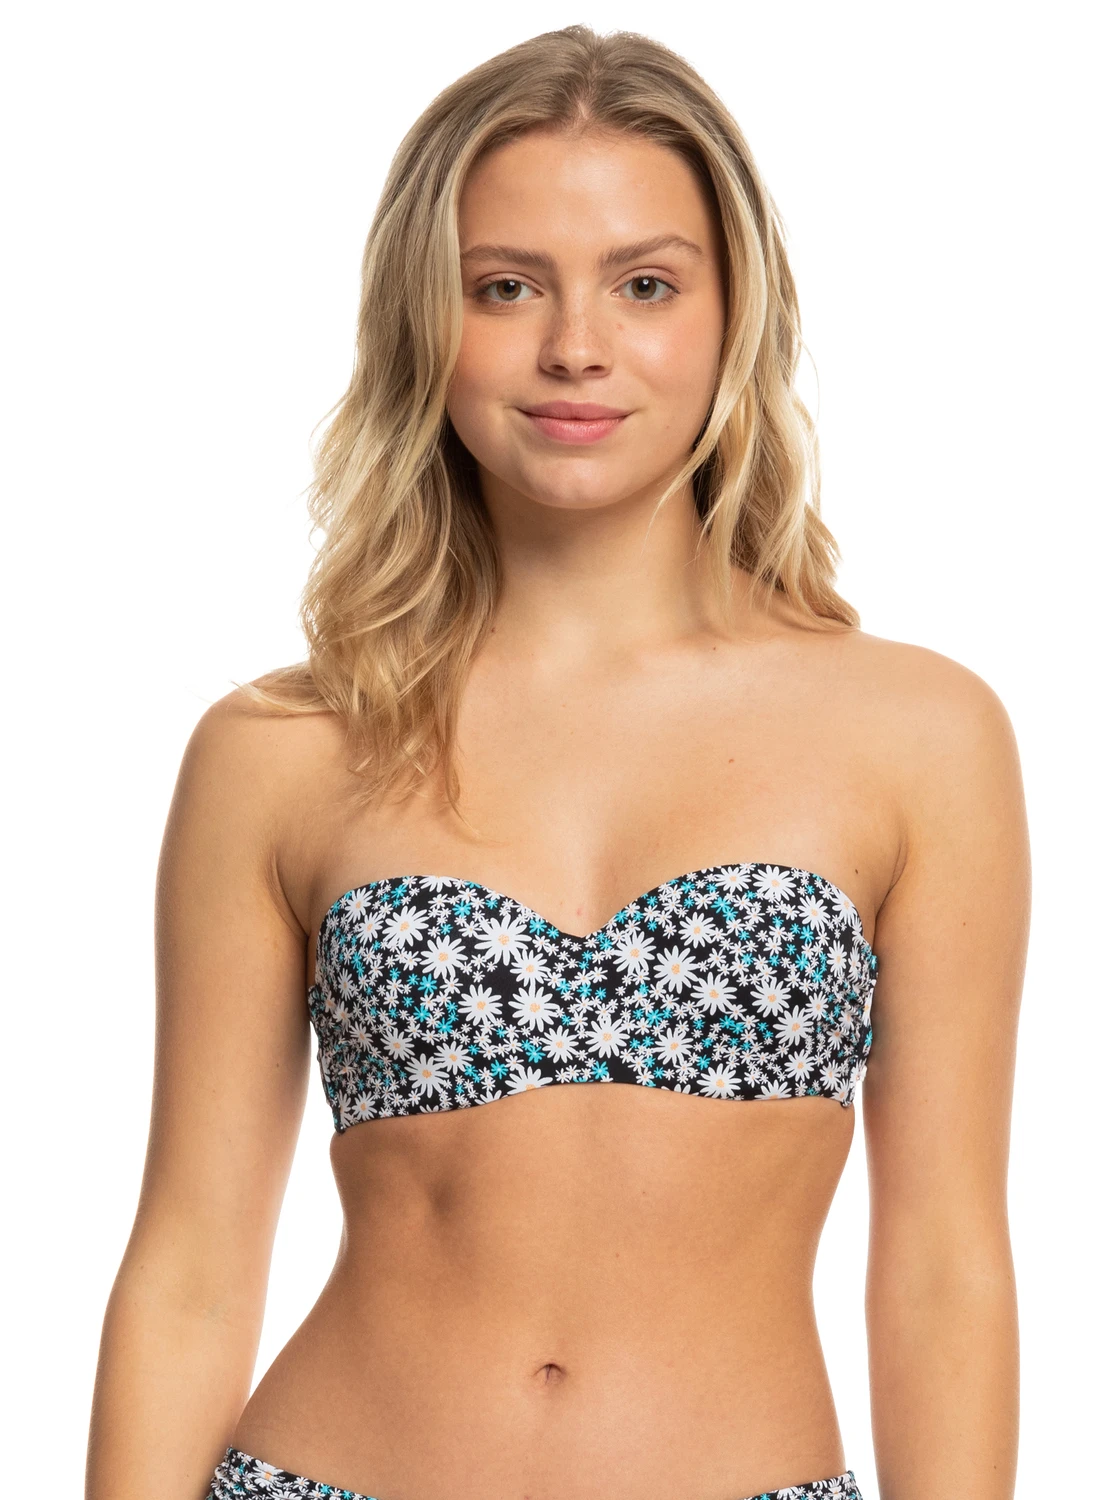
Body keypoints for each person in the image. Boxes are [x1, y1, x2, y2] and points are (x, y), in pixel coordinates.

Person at [85, 24, 1029, 1500]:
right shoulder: (279, 749)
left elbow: (944, 1270)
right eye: (505, 286)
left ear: (736, 314)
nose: (576, 346)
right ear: (424, 319)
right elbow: (193, 1266)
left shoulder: (920, 735)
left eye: (645, 285)